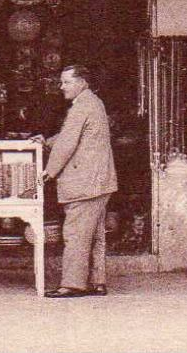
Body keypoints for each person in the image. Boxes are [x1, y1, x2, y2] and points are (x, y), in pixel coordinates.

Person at [38, 64, 117, 298]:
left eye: (66, 82)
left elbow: (68, 143)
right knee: (95, 235)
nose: (62, 87)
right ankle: (97, 282)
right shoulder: (93, 103)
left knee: (75, 233)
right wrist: (47, 141)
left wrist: (48, 172)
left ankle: (72, 284)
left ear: (82, 82)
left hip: (85, 182)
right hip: (99, 181)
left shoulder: (82, 106)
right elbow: (74, 136)